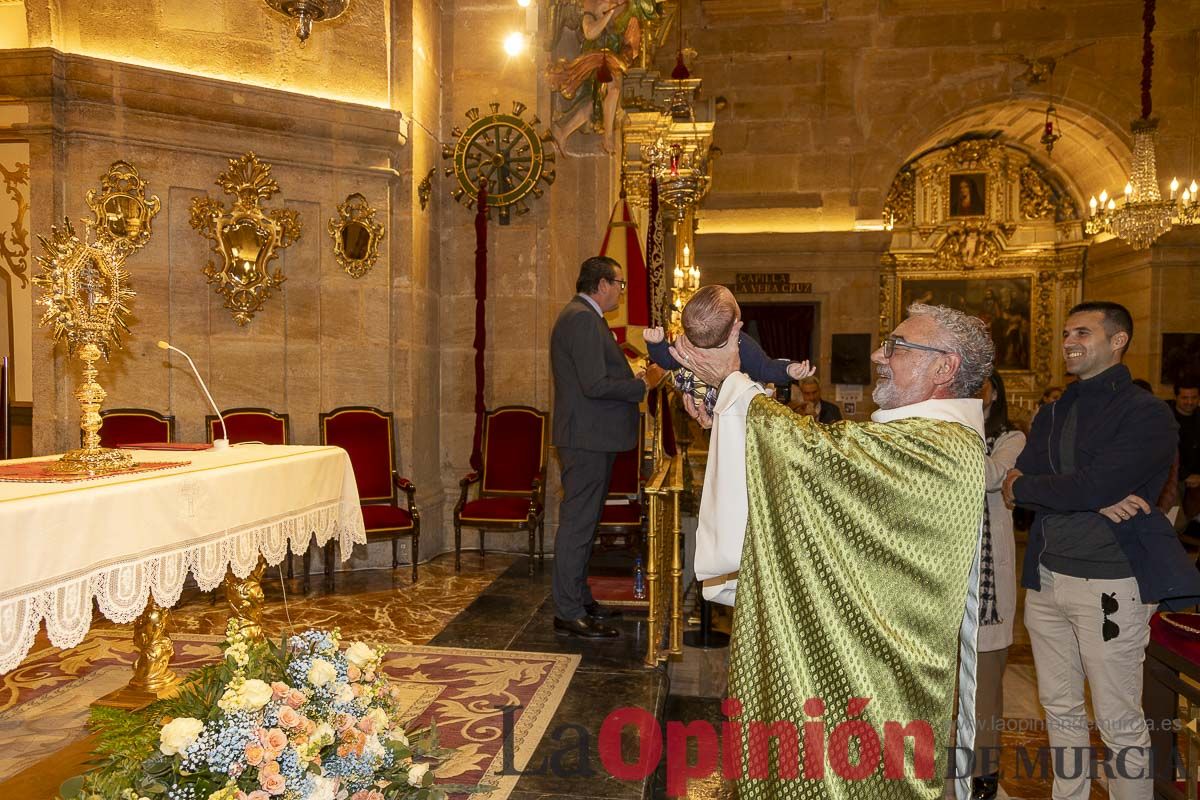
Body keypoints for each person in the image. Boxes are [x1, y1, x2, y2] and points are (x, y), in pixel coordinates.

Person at [682, 303, 994, 800]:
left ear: (944, 366)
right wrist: (723, 399)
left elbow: (813, 457)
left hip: (882, 682)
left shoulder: (941, 442)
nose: (877, 355)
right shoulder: (919, 435)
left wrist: (734, 386)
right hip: (863, 665)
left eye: (896, 346)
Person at [1002, 301, 1200, 800]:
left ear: (1118, 341)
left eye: (1083, 333)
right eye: (1067, 332)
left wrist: (1049, 488)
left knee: (1118, 718)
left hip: (1112, 582)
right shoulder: (1053, 410)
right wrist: (1070, 490)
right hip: (1045, 578)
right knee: (1059, 706)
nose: (1069, 341)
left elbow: (1092, 485)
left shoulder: (1146, 413)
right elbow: (1012, 485)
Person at [550, 255, 664, 639]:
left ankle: (579, 601)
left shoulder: (586, 317)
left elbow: (596, 377)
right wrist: (641, 385)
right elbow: (594, 384)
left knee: (585, 526)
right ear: (601, 284)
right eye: (619, 282)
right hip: (586, 440)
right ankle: (567, 610)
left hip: (592, 438)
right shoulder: (581, 319)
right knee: (577, 527)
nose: (622, 290)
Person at [971, 371, 1025, 800]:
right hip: (946, 571)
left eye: (981, 384)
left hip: (986, 575)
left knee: (985, 682)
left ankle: (984, 770)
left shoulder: (1012, 438)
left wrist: (958, 431)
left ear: (995, 392)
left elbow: (988, 476)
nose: (974, 391)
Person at [643, 285, 813, 415]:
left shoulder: (687, 343)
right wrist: (789, 369)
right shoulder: (741, 343)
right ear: (734, 325)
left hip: (723, 409)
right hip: (728, 408)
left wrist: (656, 344)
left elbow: (666, 359)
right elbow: (765, 369)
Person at [1170, 377, 1200, 534]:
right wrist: (1185, 476)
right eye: (1185, 398)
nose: (1190, 402)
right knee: (1177, 523)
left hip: (1197, 477)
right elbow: (1162, 454)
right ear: (1176, 397)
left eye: (1194, 397)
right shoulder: (1165, 417)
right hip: (1172, 478)